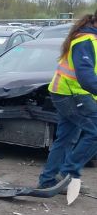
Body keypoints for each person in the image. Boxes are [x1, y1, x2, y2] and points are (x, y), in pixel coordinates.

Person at [38, 12, 97, 192]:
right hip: (71, 94)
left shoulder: (88, 38)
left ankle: (48, 180)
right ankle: (68, 174)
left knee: (66, 138)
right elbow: (86, 77)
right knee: (94, 132)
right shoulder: (85, 41)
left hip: (68, 93)